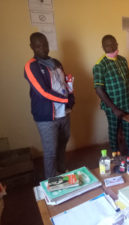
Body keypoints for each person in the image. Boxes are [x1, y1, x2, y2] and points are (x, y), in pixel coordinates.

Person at [24, 32, 75, 179]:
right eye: (38, 45)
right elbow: (42, 92)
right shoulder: (31, 66)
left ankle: (61, 170)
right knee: (50, 151)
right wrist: (66, 100)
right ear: (32, 47)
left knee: (62, 144)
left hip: (64, 113)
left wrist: (71, 95)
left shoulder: (56, 62)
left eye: (45, 44)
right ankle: (51, 182)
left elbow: (64, 83)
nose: (43, 48)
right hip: (46, 116)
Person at [93, 34, 129, 156]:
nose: (112, 47)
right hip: (112, 107)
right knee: (114, 131)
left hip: (127, 103)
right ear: (103, 47)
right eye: (108, 45)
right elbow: (99, 89)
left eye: (114, 44)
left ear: (117, 44)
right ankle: (115, 155)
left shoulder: (123, 60)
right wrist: (114, 109)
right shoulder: (100, 65)